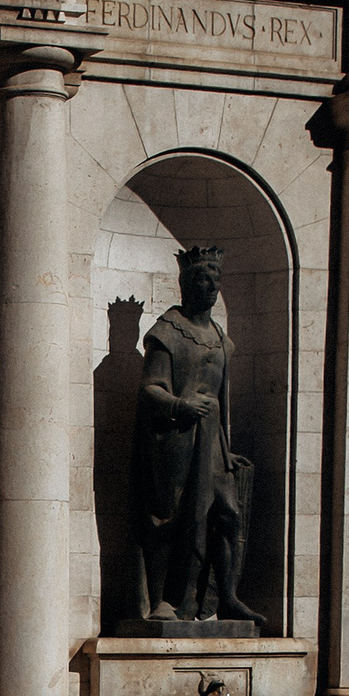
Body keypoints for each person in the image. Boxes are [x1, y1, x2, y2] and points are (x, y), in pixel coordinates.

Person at [133, 244, 262, 626]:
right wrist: (179, 406)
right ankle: (164, 601)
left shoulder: (221, 338)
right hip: (176, 442)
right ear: (187, 284)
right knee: (173, 518)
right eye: (203, 278)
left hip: (213, 445)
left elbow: (221, 399)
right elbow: (150, 388)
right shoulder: (168, 332)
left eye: (215, 279)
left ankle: (228, 597)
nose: (211, 286)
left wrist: (225, 449)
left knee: (228, 516)